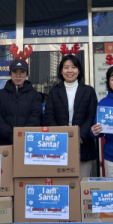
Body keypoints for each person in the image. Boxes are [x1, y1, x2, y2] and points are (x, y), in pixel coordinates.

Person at [43, 47, 98, 177]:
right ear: (61, 71)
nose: (70, 71)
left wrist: (79, 137)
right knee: (62, 183)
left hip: (83, 146)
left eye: (73, 67)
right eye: (66, 67)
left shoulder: (88, 91)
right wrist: (60, 137)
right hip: (59, 146)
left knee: (82, 182)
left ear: (79, 70)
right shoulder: (54, 92)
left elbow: (92, 116)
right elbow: (49, 116)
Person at [0, 55, 42, 145]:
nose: (18, 75)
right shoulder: (0, 95)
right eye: (14, 72)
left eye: (22, 72)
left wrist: (22, 135)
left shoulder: (35, 95)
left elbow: (35, 118)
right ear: (10, 74)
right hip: (3, 142)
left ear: (27, 74)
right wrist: (11, 135)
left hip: (27, 142)